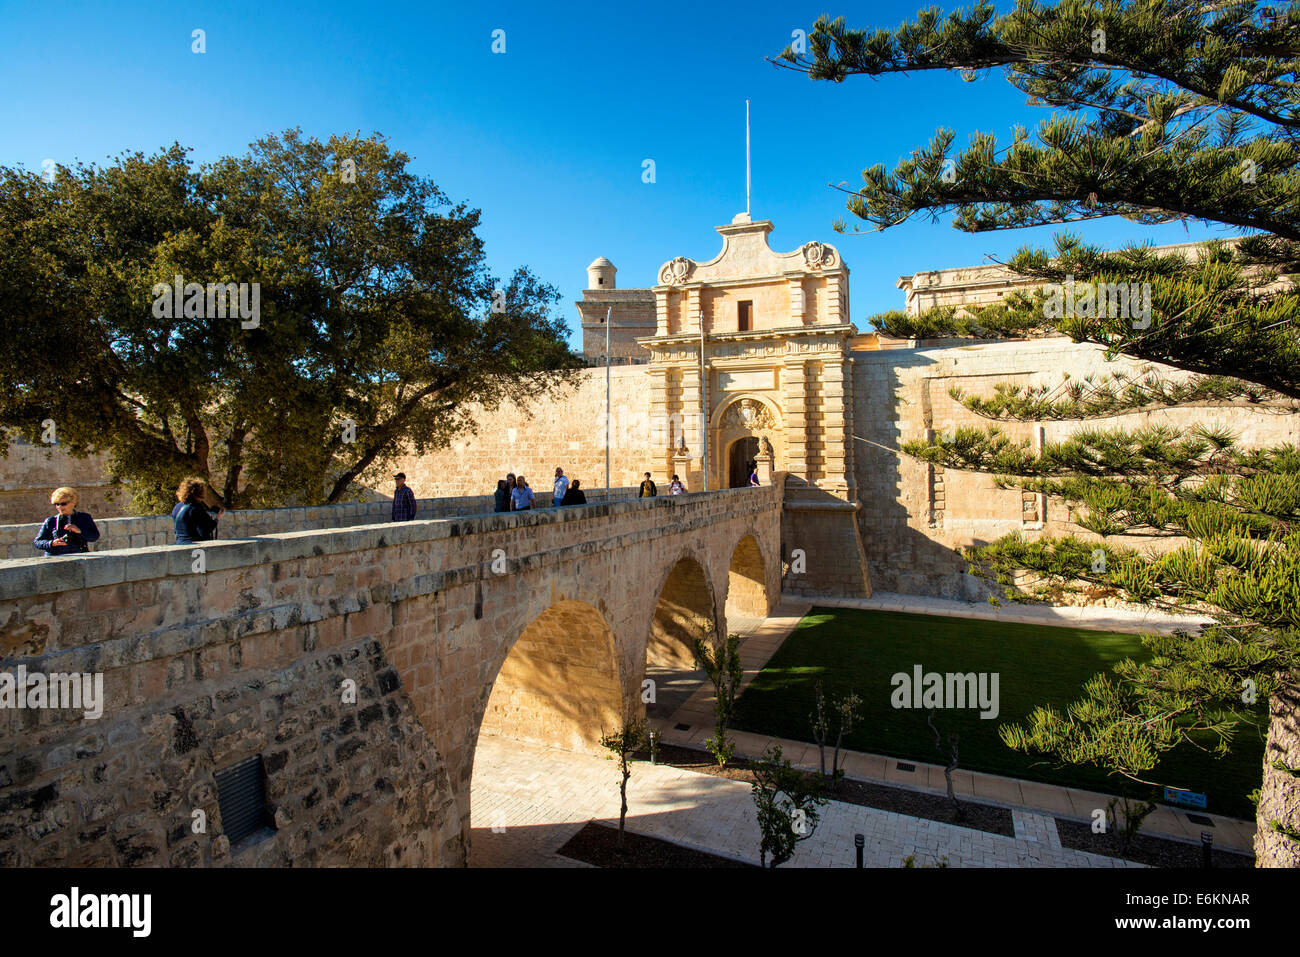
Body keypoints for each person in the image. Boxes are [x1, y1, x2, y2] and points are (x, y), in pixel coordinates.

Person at [33, 487, 101, 557]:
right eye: (57, 504)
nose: (59, 507)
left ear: (73, 503)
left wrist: (79, 531)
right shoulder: (50, 521)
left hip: (78, 558)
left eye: (63, 503)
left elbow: (94, 537)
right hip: (55, 559)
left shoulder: (84, 518)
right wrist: (52, 543)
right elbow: (37, 542)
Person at [172, 477, 224, 545]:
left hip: (179, 545)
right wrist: (217, 519)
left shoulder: (177, 507)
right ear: (199, 492)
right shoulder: (195, 508)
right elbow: (204, 531)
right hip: (194, 547)